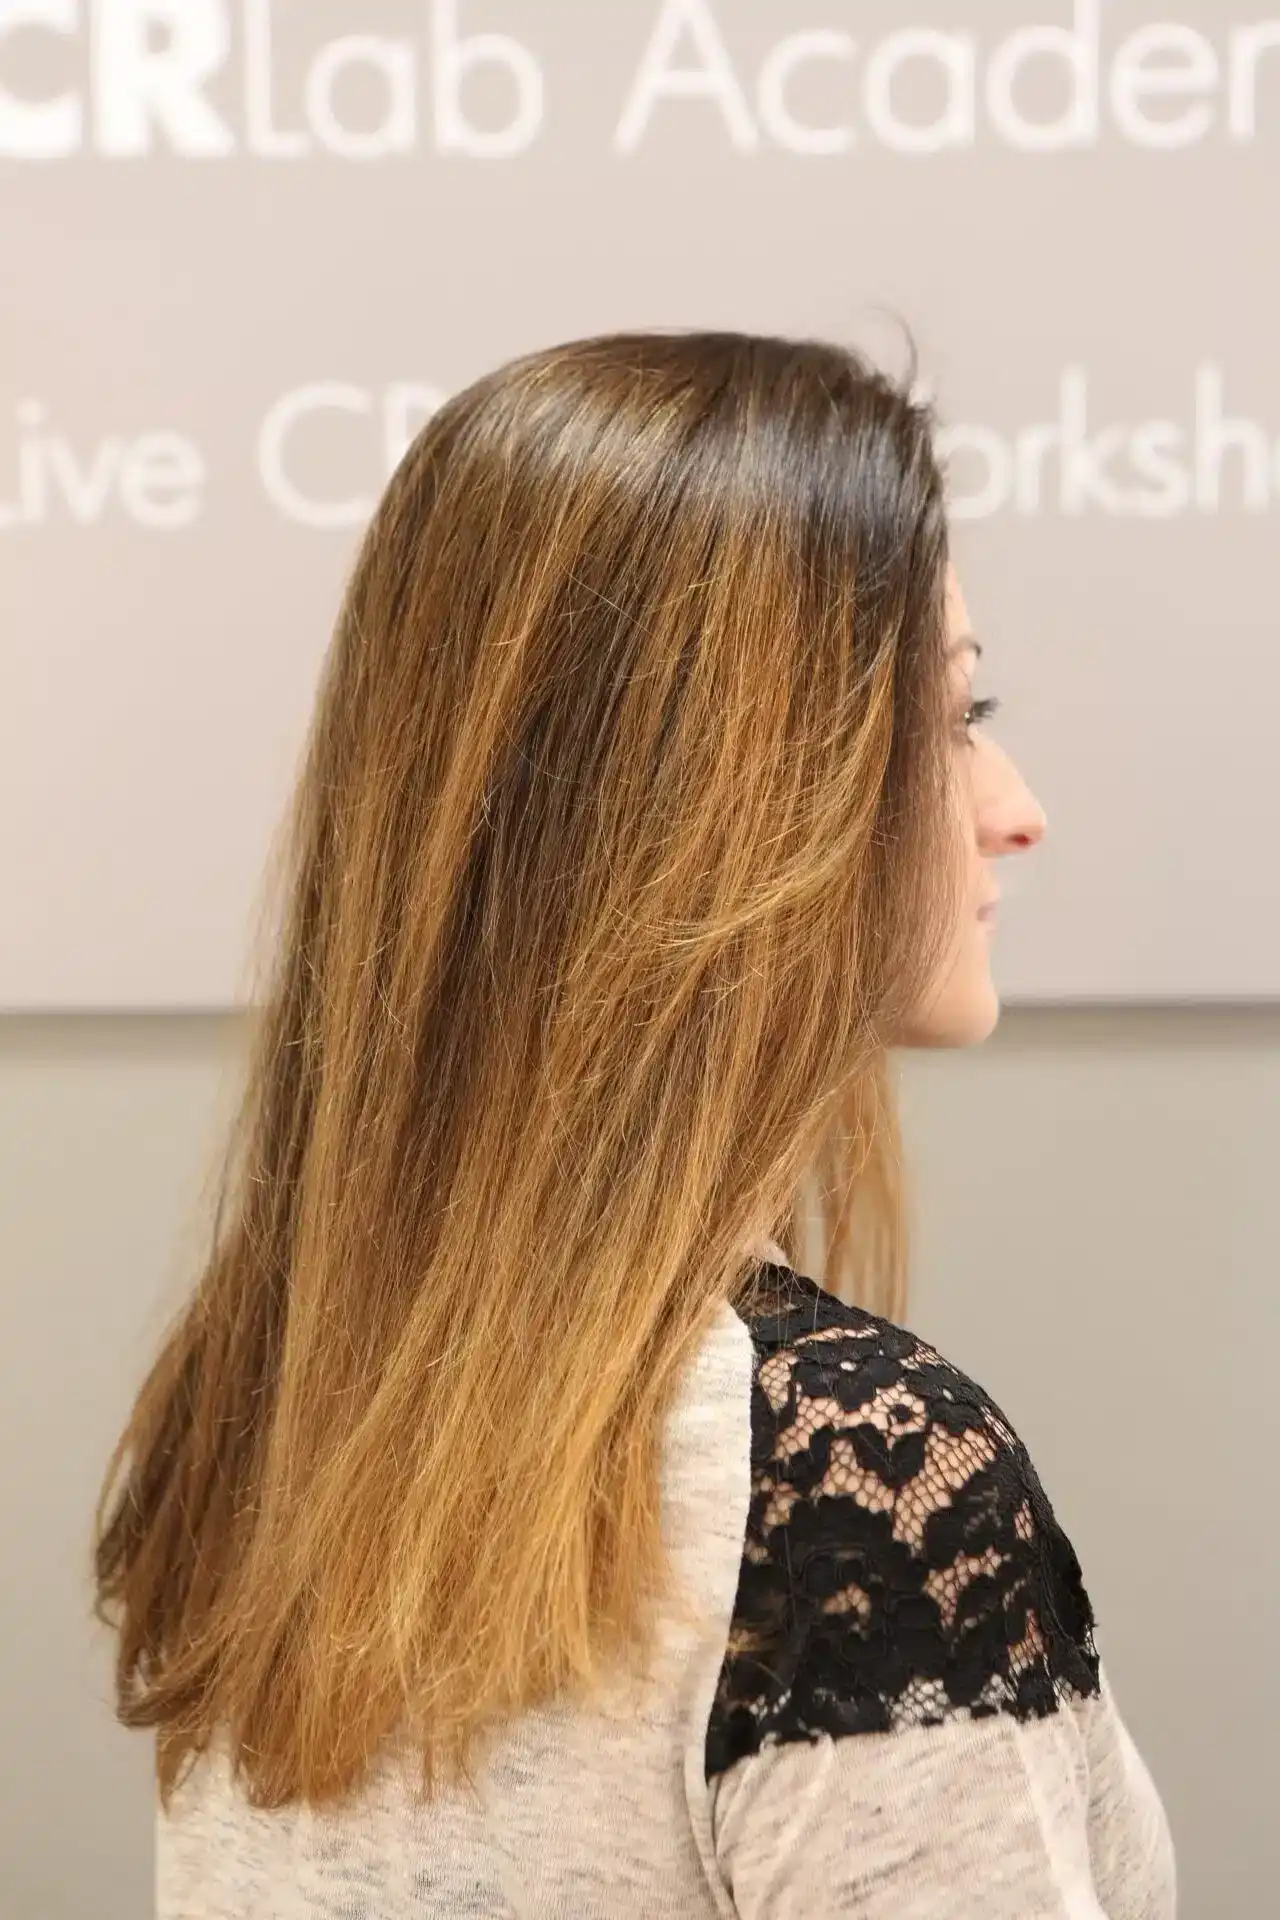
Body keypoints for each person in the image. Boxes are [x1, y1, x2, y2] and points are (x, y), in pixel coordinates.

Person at [91, 328, 1176, 1917]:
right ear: (743, 788)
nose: (1015, 804)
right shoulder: (845, 1481)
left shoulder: (275, 1410)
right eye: (954, 715)